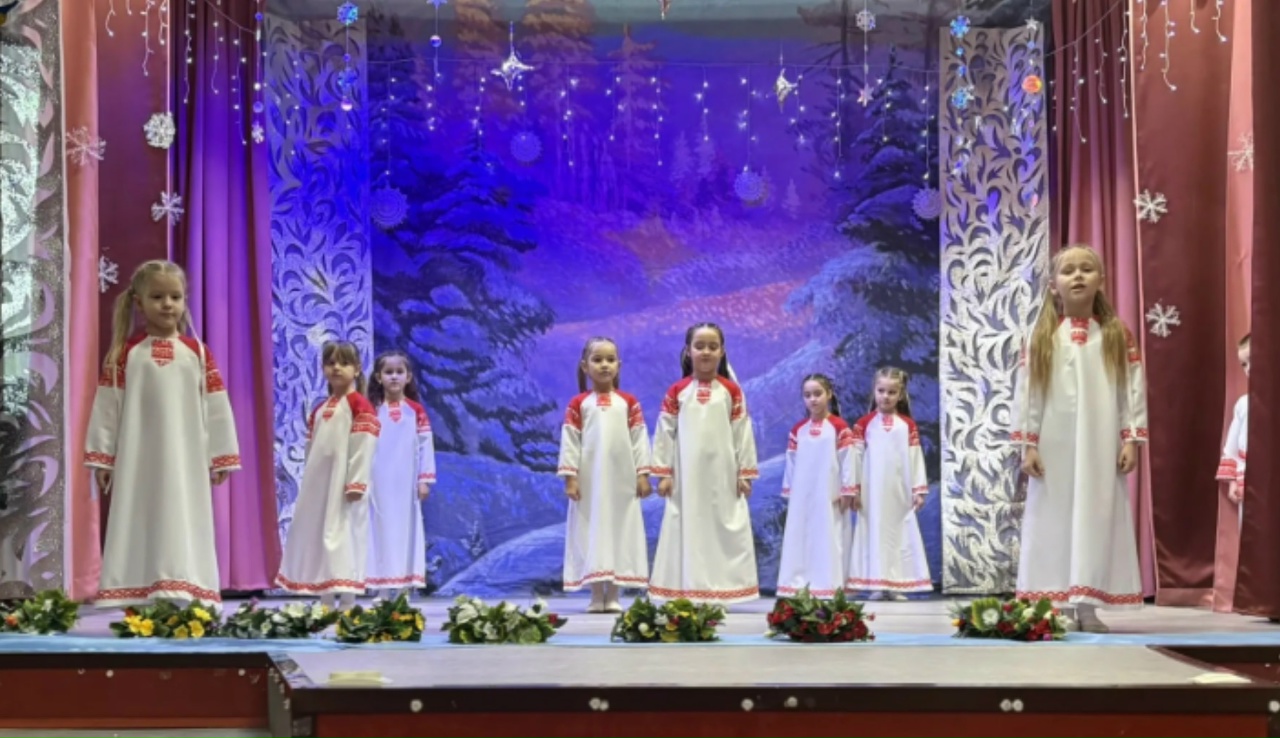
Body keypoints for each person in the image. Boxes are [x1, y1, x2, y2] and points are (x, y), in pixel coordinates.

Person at [85, 259, 239, 611]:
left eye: (175, 297)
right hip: (138, 460)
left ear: (185, 300)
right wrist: (103, 458)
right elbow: (108, 407)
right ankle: (140, 596)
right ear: (139, 303)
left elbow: (216, 405)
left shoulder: (197, 354)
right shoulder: (125, 355)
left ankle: (184, 592)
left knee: (183, 517)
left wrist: (221, 455)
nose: (167, 304)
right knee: (140, 516)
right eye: (157, 297)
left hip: (187, 460)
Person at [1012, 244, 1148, 632]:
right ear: (1053, 284)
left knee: (1096, 514)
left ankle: (1087, 605)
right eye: (1068, 271)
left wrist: (1130, 438)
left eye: (1086, 269)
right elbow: (1028, 393)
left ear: (1100, 280)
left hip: (1100, 443)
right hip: (1053, 444)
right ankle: (1057, 604)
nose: (1077, 276)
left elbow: (1131, 389)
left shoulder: (1116, 334)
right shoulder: (1042, 336)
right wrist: (1028, 444)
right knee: (1053, 516)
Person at [650, 323, 760, 605]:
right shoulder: (677, 391)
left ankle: (722, 590)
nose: (706, 352)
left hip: (723, 475)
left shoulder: (731, 391)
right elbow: (664, 433)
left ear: (722, 351)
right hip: (686, 477)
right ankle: (688, 588)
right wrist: (663, 473)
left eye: (713, 346)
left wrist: (745, 473)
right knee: (687, 527)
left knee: (723, 528)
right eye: (699, 346)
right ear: (688, 351)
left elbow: (742, 432)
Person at [276, 341, 379, 610]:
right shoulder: (320, 409)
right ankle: (325, 600)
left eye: (344, 363)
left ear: (357, 369)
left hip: (346, 485)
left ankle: (347, 600)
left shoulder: (360, 406)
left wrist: (356, 481)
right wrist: (310, 481)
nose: (336, 368)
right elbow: (312, 449)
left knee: (344, 538)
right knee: (321, 537)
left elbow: (363, 446)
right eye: (331, 363)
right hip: (321, 485)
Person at [557, 337, 652, 613]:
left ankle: (614, 595)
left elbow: (639, 439)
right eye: (597, 360)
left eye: (610, 360)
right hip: (590, 482)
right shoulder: (579, 404)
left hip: (622, 482)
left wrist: (642, 474)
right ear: (585, 366)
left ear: (619, 365)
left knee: (620, 530)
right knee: (592, 530)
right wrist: (571, 477)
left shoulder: (628, 403)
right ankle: (596, 594)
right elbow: (570, 441)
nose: (604, 365)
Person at [845, 367, 932, 600]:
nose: (886, 396)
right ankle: (876, 583)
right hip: (871, 491)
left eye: (892, 392)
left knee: (898, 534)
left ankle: (896, 584)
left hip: (899, 490)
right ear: (874, 391)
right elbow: (855, 458)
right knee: (872, 533)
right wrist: (854, 488)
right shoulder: (863, 424)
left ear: (900, 395)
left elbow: (915, 457)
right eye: (881, 391)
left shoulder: (907, 425)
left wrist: (918, 490)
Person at [776, 374, 858, 597]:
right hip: (803, 495)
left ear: (829, 394)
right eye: (807, 395)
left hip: (829, 493)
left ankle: (829, 584)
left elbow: (847, 459)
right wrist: (790, 492)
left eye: (817, 394)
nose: (813, 399)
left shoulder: (839, 427)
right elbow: (792, 462)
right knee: (802, 537)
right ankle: (798, 583)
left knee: (829, 537)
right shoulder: (798, 430)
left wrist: (847, 489)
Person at [366, 350, 436, 597]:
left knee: (407, 531)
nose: (394, 377)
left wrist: (424, 480)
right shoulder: (371, 411)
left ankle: (405, 589)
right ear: (378, 377)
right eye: (388, 372)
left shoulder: (416, 411)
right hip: (378, 481)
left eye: (399, 372)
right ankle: (382, 590)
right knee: (379, 531)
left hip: (406, 483)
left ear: (408, 377)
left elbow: (425, 445)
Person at [1217, 334, 1250, 518]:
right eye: (1244, 364)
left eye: (1253, 360)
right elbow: (1232, 448)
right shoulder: (1244, 404)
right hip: (1248, 483)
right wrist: (1233, 482)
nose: (1249, 369)